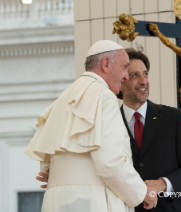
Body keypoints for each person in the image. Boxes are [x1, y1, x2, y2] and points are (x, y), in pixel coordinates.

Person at [37, 47, 181, 212]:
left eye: (145, 74)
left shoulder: (173, 117)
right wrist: (63, 169)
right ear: (123, 80)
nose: (143, 81)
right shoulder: (104, 115)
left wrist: (162, 184)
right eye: (133, 75)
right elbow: (102, 161)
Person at [25, 40, 157, 212]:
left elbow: (49, 167)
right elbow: (110, 162)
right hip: (93, 201)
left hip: (58, 202)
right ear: (106, 64)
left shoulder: (64, 97)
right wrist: (142, 192)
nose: (125, 76)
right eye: (124, 67)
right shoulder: (104, 96)